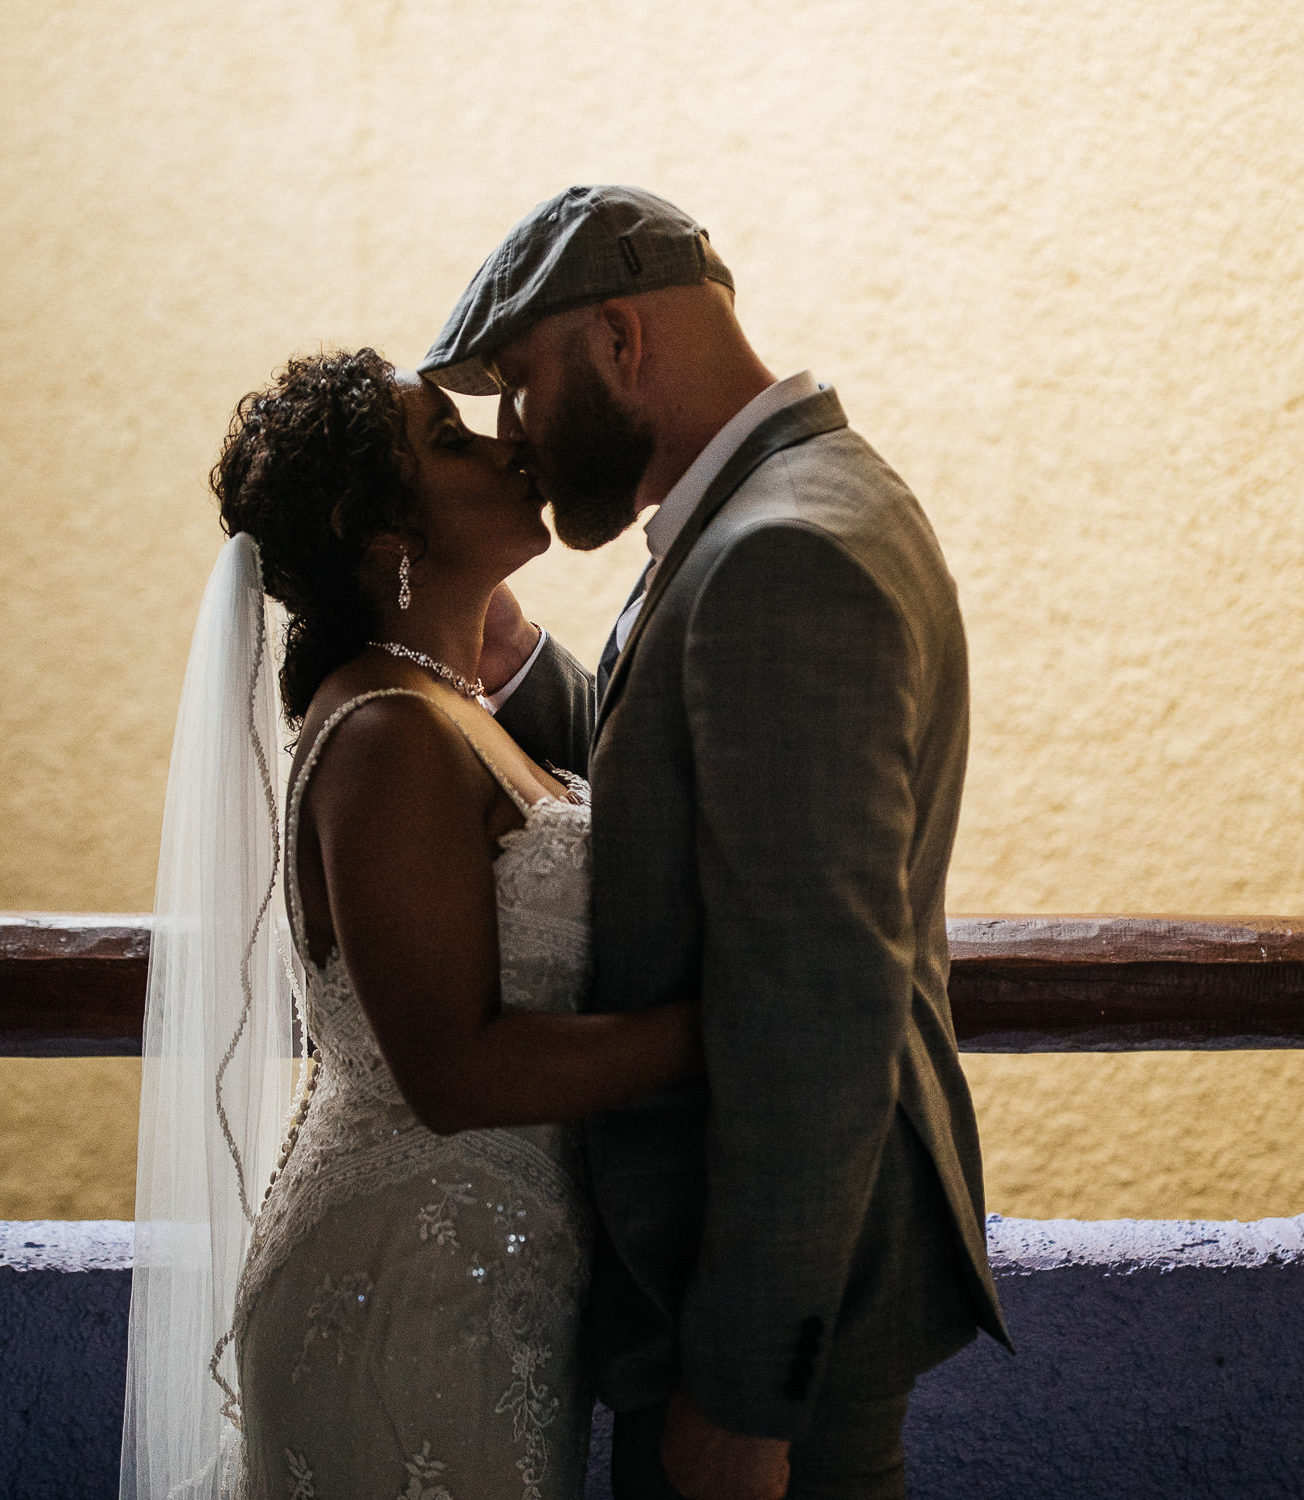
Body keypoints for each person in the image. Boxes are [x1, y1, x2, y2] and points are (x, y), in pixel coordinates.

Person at [423, 186, 1011, 1500]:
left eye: (520, 381)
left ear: (622, 342)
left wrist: (743, 1396)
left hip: (766, 1339)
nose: (512, 431)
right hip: (767, 1301)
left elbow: (814, 1000)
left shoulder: (779, 554)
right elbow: (707, 789)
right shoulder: (798, 499)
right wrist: (525, 668)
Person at [118, 348, 700, 1500]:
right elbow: (451, 1068)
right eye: (451, 440)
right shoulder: (388, 734)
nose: (509, 447)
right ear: (380, 530)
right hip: (407, 1291)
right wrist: (726, 1033)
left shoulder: (447, 702)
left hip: (483, 1274)